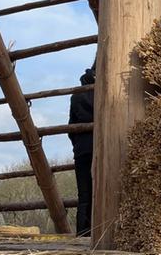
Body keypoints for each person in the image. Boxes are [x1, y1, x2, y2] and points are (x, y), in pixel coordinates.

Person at [69, 62, 95, 237]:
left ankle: (83, 235)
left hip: (81, 150)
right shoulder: (102, 90)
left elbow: (72, 127)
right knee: (100, 191)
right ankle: (98, 232)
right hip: (100, 147)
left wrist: (78, 145)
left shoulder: (77, 94)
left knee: (84, 195)